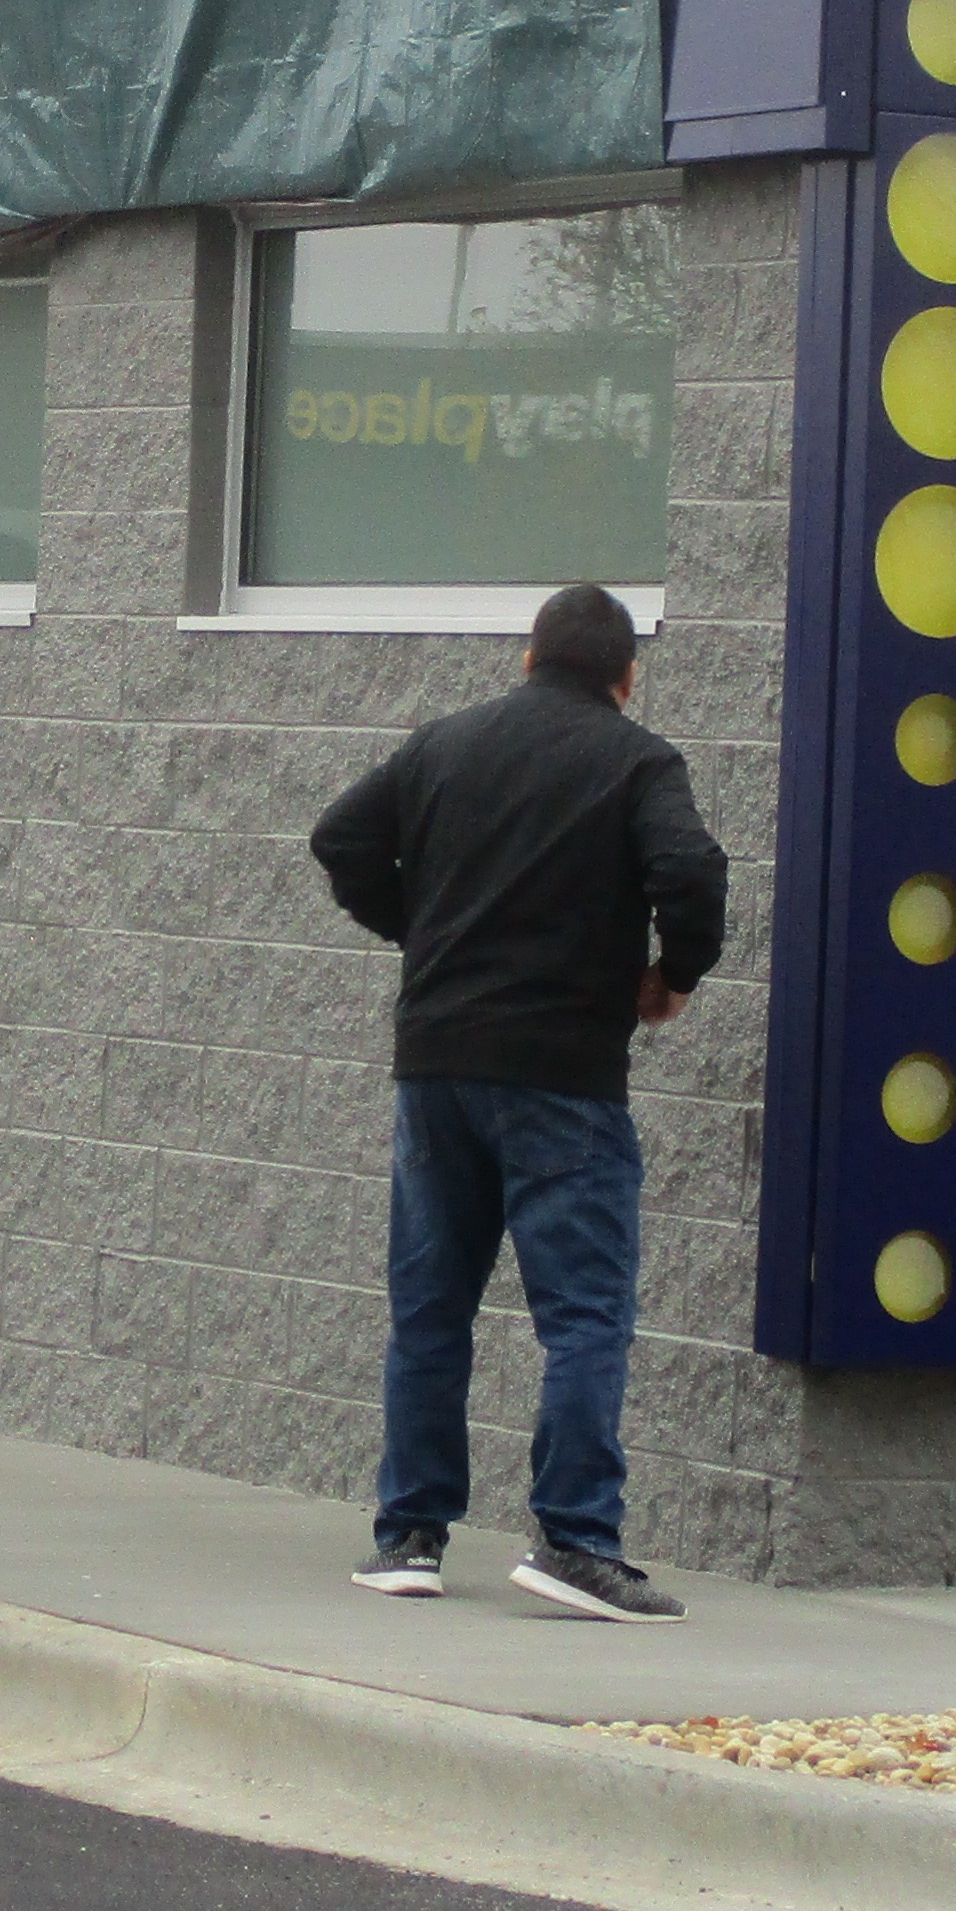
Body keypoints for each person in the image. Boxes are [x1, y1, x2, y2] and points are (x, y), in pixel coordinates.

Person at [308, 579, 727, 1622]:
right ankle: (575, 1539)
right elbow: (693, 872)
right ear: (626, 678)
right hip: (561, 1080)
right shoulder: (637, 761)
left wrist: (423, 931)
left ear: (528, 660)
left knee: (430, 1306)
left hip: (437, 1069)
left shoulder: (444, 744)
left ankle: (407, 1538)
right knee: (582, 1315)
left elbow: (340, 839)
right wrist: (670, 979)